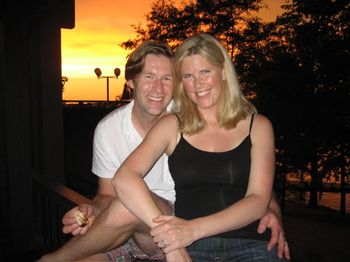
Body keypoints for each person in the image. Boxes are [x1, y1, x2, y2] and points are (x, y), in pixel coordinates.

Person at [38, 39, 289, 261]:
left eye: (167, 78)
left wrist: (272, 208)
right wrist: (94, 209)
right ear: (131, 83)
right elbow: (114, 187)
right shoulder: (148, 126)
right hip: (163, 232)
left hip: (202, 231)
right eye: (149, 77)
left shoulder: (242, 122)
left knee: (125, 210)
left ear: (223, 71)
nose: (159, 89)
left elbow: (254, 189)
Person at [112, 33, 290, 261]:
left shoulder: (258, 126)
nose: (198, 84)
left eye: (205, 72)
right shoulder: (172, 125)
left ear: (223, 72)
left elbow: (257, 200)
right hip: (193, 248)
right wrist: (171, 240)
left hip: (250, 243)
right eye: (188, 76)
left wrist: (193, 229)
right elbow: (124, 178)